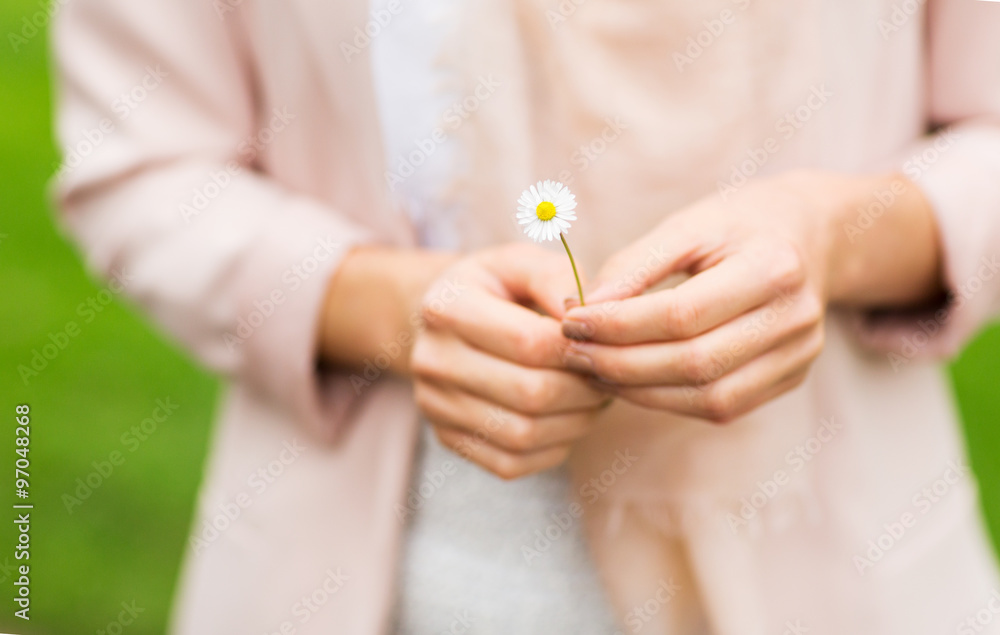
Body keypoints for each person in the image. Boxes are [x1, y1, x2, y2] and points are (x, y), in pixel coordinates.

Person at [52, 0, 1000, 633]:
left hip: (840, 564)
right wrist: (384, 304)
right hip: (370, 575)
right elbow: (141, 168)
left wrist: (835, 237)